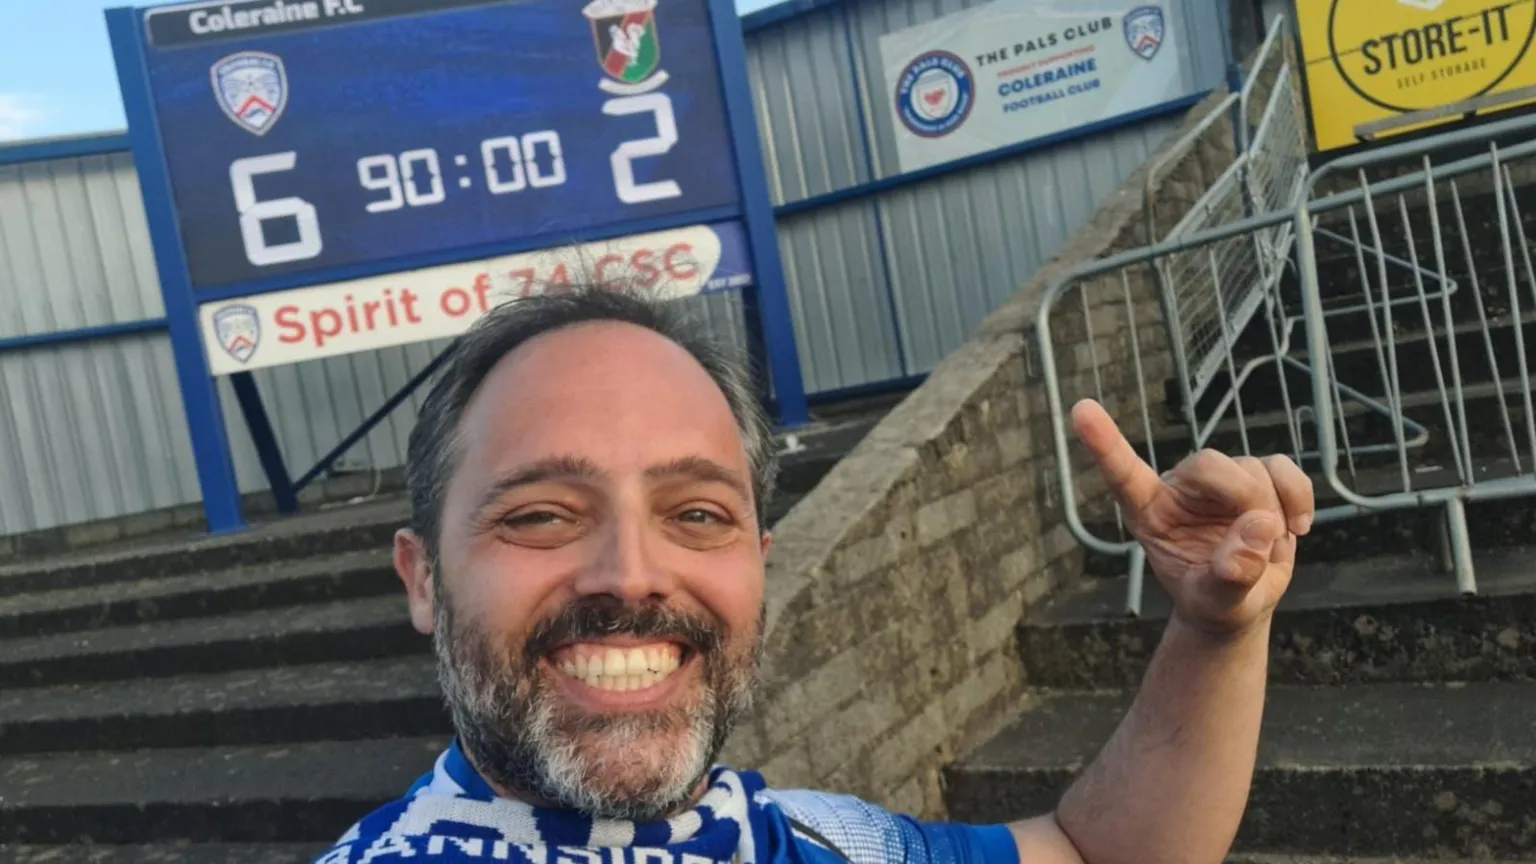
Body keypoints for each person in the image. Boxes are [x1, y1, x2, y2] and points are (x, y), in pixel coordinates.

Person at [311, 288, 1314, 864]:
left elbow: (1098, 856)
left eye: (697, 514)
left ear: (758, 562)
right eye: (539, 516)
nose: (629, 573)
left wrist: (1217, 633)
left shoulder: (820, 842)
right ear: (425, 579)